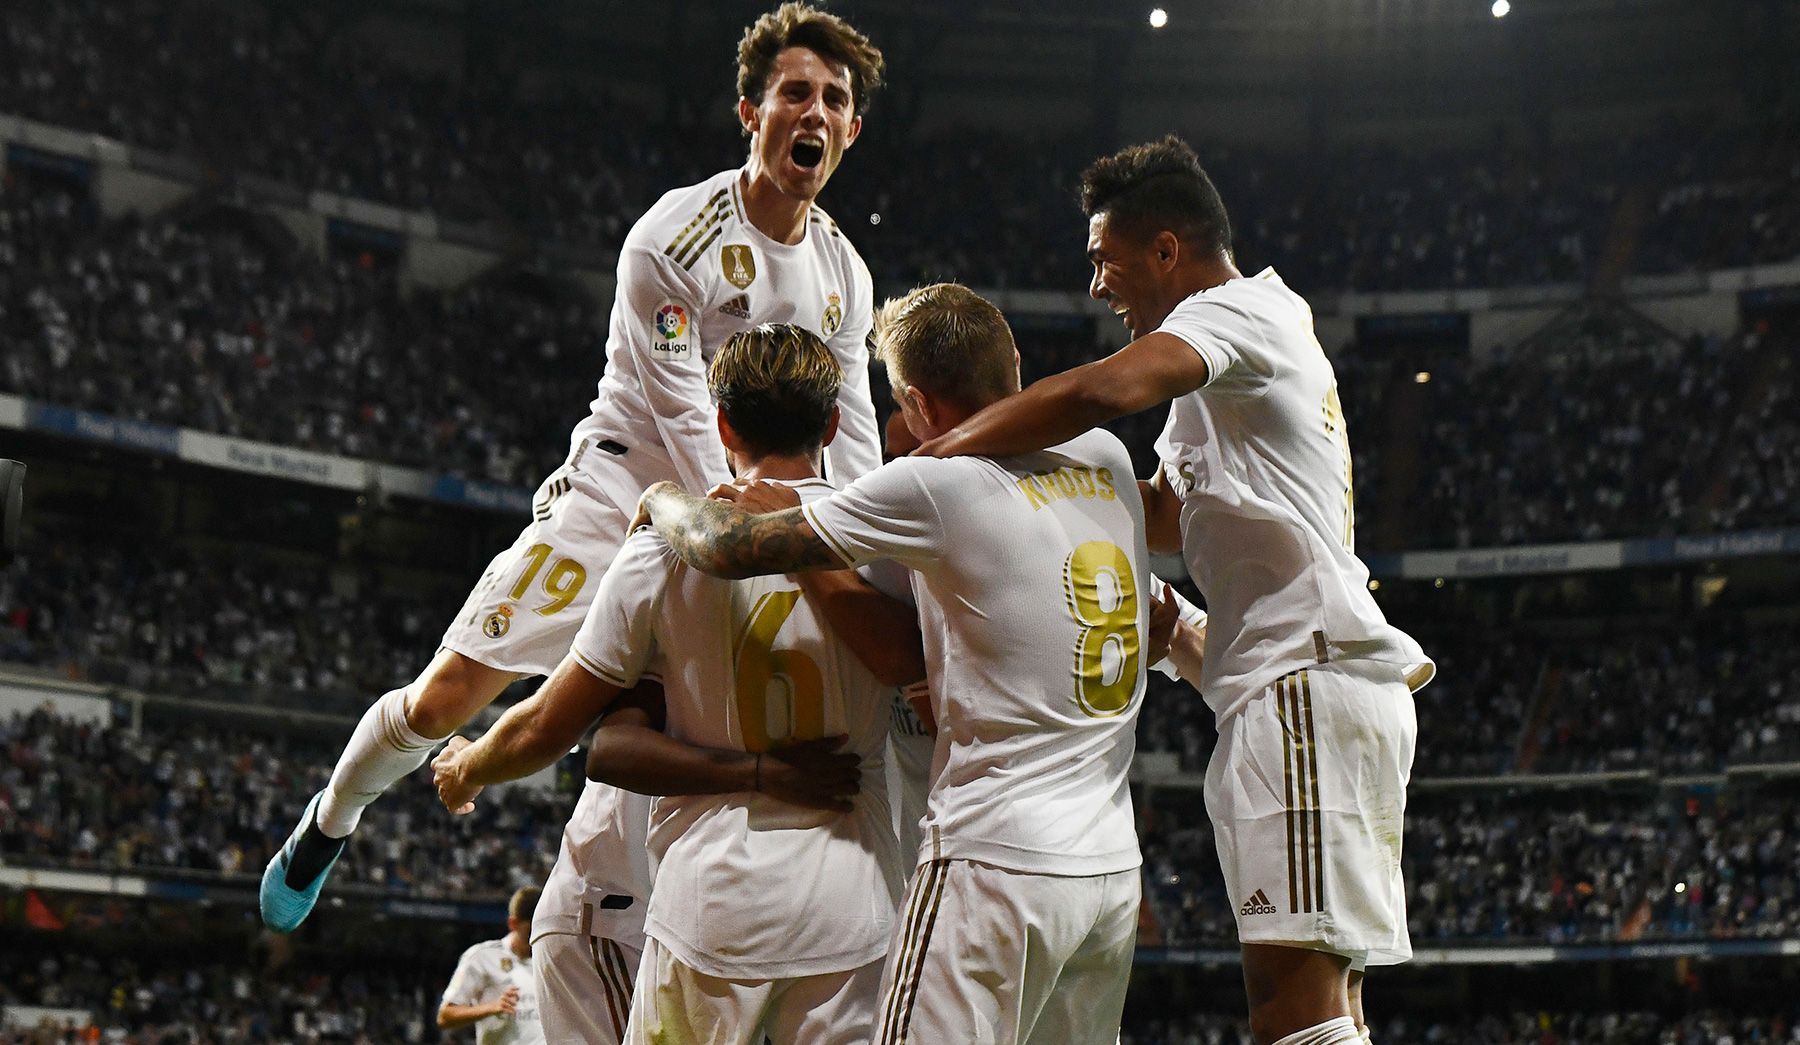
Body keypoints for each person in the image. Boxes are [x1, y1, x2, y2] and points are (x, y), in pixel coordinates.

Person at [260, 0, 888, 933]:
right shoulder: (674, 240)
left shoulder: (844, 271)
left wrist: (861, 537)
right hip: (626, 487)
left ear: (852, 129)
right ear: (750, 113)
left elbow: (856, 432)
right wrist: (776, 534)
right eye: (795, 91)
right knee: (450, 694)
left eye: (834, 99)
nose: (816, 111)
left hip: (757, 509)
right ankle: (331, 819)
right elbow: (684, 422)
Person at [912, 136, 1436, 1045]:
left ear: (1164, 250)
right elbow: (1158, 513)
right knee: (1329, 1000)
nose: (1096, 287)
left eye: (1103, 260)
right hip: (1307, 686)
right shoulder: (1232, 365)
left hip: (1303, 686)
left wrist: (942, 457)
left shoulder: (1239, 313)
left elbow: (1106, 390)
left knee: (1291, 1004)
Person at [633, 283, 1153, 1045]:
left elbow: (725, 546)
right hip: (1107, 865)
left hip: (993, 859)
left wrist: (661, 497)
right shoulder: (1106, 456)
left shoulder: (933, 486)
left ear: (914, 402)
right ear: (1012, 359)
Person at [433, 323, 922, 1044]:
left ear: (720, 422)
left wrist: (468, 763)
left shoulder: (660, 550)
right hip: (851, 905)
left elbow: (549, 726)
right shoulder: (885, 543)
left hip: (710, 904)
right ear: (835, 423)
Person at [438, 886, 545, 1045]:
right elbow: (445, 1016)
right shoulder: (482, 957)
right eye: (530, 931)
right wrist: (491, 1007)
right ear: (513, 923)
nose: (535, 939)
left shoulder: (552, 962)